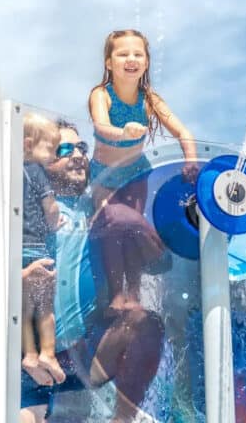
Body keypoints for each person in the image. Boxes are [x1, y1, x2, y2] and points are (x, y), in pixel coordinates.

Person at [20, 120, 165, 423]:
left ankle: (122, 419)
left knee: (145, 323)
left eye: (81, 148)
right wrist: (20, 278)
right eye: (64, 149)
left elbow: (161, 264)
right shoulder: (25, 208)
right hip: (28, 359)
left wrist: (133, 222)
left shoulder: (98, 208)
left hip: (84, 355)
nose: (77, 155)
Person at [88, 29, 197, 314]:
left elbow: (182, 131)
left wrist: (191, 160)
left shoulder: (150, 100)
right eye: (122, 54)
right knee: (111, 228)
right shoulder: (101, 95)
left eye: (138, 54)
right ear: (109, 63)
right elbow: (100, 126)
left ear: (147, 63)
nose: (131, 59)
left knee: (132, 229)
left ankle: (133, 294)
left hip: (136, 173)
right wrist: (122, 132)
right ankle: (115, 294)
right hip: (104, 173)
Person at [21, 113, 66, 385]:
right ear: (28, 145)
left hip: (19, 252)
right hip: (37, 250)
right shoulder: (36, 171)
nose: (53, 155)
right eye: (50, 148)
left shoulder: (11, 172)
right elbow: (50, 208)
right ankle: (48, 353)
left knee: (24, 310)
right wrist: (55, 221)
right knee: (45, 308)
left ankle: (29, 353)